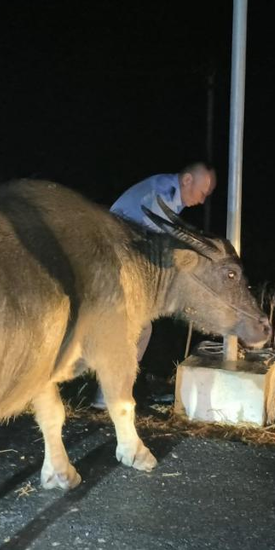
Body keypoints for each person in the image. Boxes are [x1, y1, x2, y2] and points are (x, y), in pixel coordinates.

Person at [91, 162, 216, 410]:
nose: (201, 201)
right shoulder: (163, 198)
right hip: (112, 265)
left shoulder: (165, 190)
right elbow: (157, 248)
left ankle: (112, 392)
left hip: (117, 261)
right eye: (202, 193)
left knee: (141, 327)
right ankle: (110, 394)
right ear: (188, 180)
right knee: (136, 328)